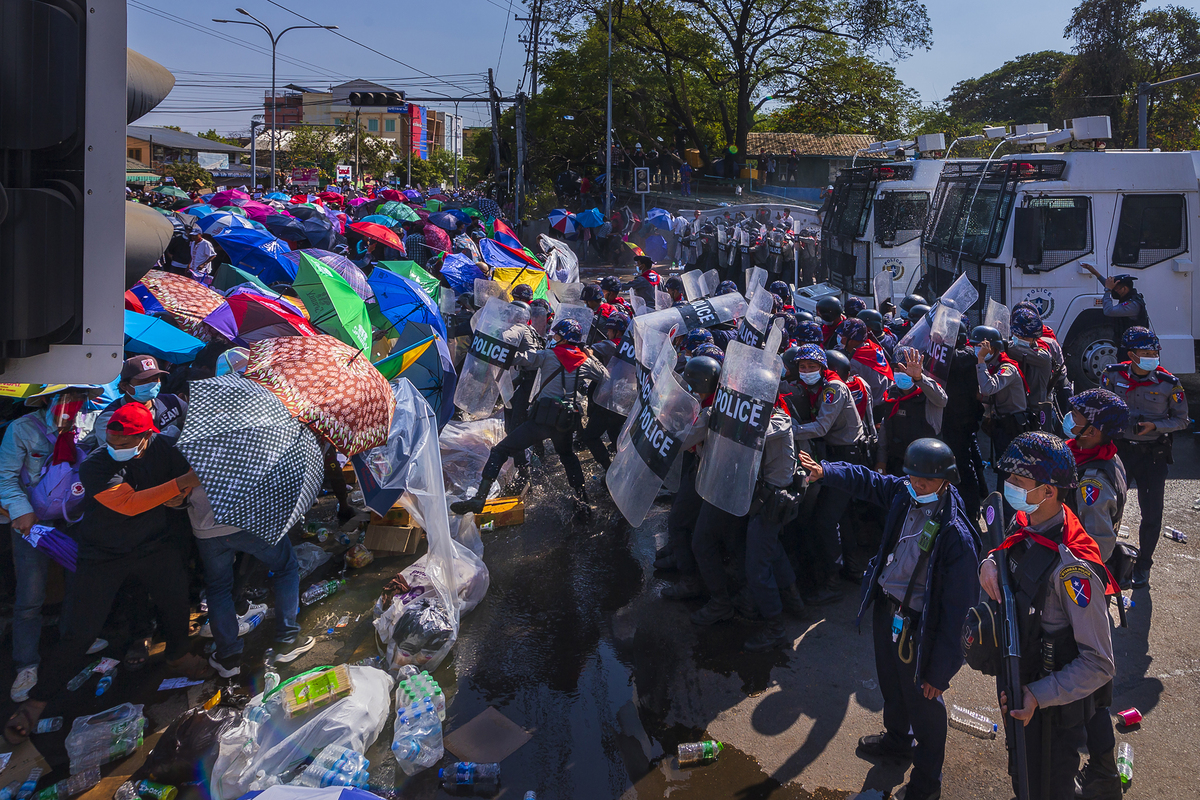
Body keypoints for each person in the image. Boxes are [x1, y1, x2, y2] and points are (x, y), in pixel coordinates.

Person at [5, 404, 213, 744]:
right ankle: (38, 700)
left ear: (148, 436)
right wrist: (182, 483)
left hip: (153, 544)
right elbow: (129, 503)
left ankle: (176, 655)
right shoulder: (97, 464)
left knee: (175, 601)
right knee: (79, 630)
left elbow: (178, 495)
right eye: (113, 440)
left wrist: (178, 494)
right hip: (103, 553)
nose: (118, 447)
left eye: (126, 442)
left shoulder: (164, 449)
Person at [800, 439, 979, 800]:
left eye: (924, 483)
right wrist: (827, 471)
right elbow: (868, 481)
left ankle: (927, 782)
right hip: (888, 609)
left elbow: (960, 612)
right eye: (911, 479)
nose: (915, 486)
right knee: (893, 685)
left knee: (925, 703)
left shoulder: (956, 535)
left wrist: (939, 672)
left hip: (918, 626)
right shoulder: (907, 492)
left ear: (945, 480)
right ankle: (898, 741)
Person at [979, 432, 1118, 800]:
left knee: (1046, 786)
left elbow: (1100, 663)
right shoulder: (1027, 521)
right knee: (1019, 773)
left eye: (1019, 482)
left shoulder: (1073, 569)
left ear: (1050, 491)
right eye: (1009, 479)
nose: (1009, 488)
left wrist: (1038, 695)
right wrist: (989, 562)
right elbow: (1011, 552)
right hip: (1017, 682)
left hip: (1050, 709)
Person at [451, 319, 609, 518]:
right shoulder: (585, 362)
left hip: (542, 420)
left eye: (557, 335)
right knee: (567, 456)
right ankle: (583, 500)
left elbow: (519, 359)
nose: (553, 338)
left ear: (565, 337)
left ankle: (479, 498)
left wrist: (493, 347)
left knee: (500, 450)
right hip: (565, 422)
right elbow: (606, 378)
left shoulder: (547, 355)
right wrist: (590, 356)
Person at [0, 387, 96, 702]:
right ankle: (26, 664)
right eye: (65, 398)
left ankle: (73, 642)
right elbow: (6, 478)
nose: (72, 405)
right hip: (31, 523)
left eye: (78, 398)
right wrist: (20, 511)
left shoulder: (90, 422)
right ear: (46, 400)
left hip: (73, 519)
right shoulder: (22, 429)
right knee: (31, 595)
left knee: (79, 583)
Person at [1061, 389, 1128, 800]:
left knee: (1086, 683)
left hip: (1081, 592)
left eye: (1078, 417)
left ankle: (1102, 768)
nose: (1071, 421)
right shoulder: (1088, 457)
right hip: (1079, 586)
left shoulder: (1094, 480)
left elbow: (1095, 548)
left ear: (1098, 428)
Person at [188, 484, 315, 678]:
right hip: (252, 519)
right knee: (285, 567)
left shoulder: (191, 453)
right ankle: (287, 640)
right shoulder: (250, 452)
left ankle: (228, 658)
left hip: (206, 526)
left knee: (218, 587)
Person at [1099, 326, 1187, 587]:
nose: (1152, 356)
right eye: (1145, 352)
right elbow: (1101, 405)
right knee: (1107, 507)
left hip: (1153, 454)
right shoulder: (1112, 375)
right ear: (1131, 354)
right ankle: (1105, 559)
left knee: (1151, 514)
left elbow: (1182, 420)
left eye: (1154, 351)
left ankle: (1143, 565)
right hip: (1121, 452)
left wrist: (1155, 427)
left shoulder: (1169, 383)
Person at [875, 346, 947, 476]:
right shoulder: (892, 393)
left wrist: (919, 379)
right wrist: (881, 461)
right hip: (896, 463)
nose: (901, 372)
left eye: (905, 368)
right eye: (897, 369)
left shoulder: (927, 393)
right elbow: (885, 430)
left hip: (925, 466)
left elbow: (942, 400)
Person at [973, 325, 1028, 491]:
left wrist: (981, 360)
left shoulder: (1007, 368)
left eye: (981, 347)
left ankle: (1006, 508)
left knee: (1009, 470)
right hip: (1000, 423)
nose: (977, 350)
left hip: (1013, 425)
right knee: (1001, 467)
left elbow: (988, 388)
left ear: (993, 348)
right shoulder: (992, 365)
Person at [91, 356, 187, 448]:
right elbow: (119, 450)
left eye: (155, 379)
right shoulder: (110, 417)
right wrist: (173, 434)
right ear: (124, 385)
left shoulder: (173, 402)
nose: (151, 384)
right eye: (144, 381)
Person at [1098, 273, 1148, 360]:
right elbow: (1109, 285)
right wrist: (1094, 272)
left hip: (1134, 349)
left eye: (1116, 289)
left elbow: (1108, 311)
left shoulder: (1132, 304)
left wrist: (1107, 291)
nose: (1115, 291)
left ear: (1124, 288)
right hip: (1128, 346)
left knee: (1127, 372)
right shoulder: (1127, 298)